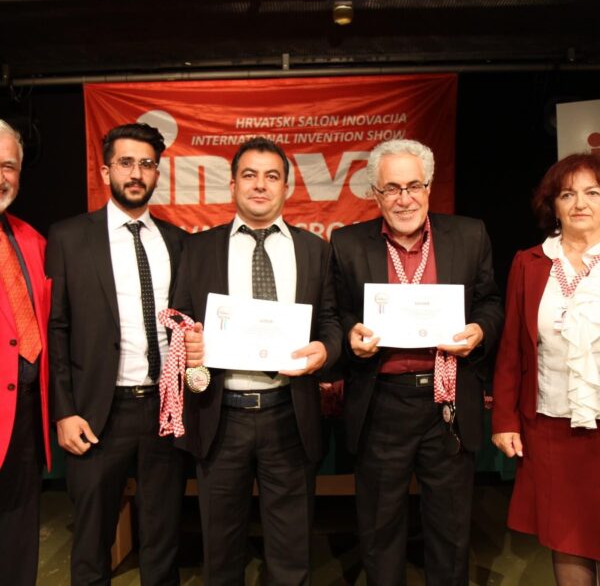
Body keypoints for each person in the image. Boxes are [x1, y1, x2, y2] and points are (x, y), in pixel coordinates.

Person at [330, 138, 503, 586]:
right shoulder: (347, 244)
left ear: (429, 187)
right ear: (375, 193)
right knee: (379, 528)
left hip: (447, 402)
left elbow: (490, 302)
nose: (403, 198)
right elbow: (337, 311)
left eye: (413, 186)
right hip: (381, 402)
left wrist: (479, 330)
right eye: (391, 188)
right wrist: (350, 334)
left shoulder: (470, 235)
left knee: (450, 530)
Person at [174, 136, 341, 584]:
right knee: (221, 552)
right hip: (220, 415)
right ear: (232, 185)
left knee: (291, 553)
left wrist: (325, 350)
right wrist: (187, 347)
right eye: (249, 175)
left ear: (287, 187)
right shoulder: (197, 248)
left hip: (289, 414)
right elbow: (178, 322)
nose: (260, 185)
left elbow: (330, 322)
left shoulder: (315, 250)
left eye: (272, 176)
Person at [46, 123, 186, 585]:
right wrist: (64, 411)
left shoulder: (177, 241)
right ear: (106, 171)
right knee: (91, 542)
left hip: (165, 411)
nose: (136, 173)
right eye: (125, 163)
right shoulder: (69, 238)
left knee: (163, 538)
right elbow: (56, 330)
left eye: (146, 164)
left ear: (158, 173)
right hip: (96, 414)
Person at [492, 153, 600, 585]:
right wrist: (504, 420)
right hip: (552, 426)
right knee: (567, 536)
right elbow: (512, 349)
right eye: (567, 194)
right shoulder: (530, 262)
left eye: (593, 193)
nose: (580, 203)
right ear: (553, 205)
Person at [0, 120, 52, 585]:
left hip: (24, 414)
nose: (0, 177)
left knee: (18, 533)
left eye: (8, 166)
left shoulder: (31, 240)